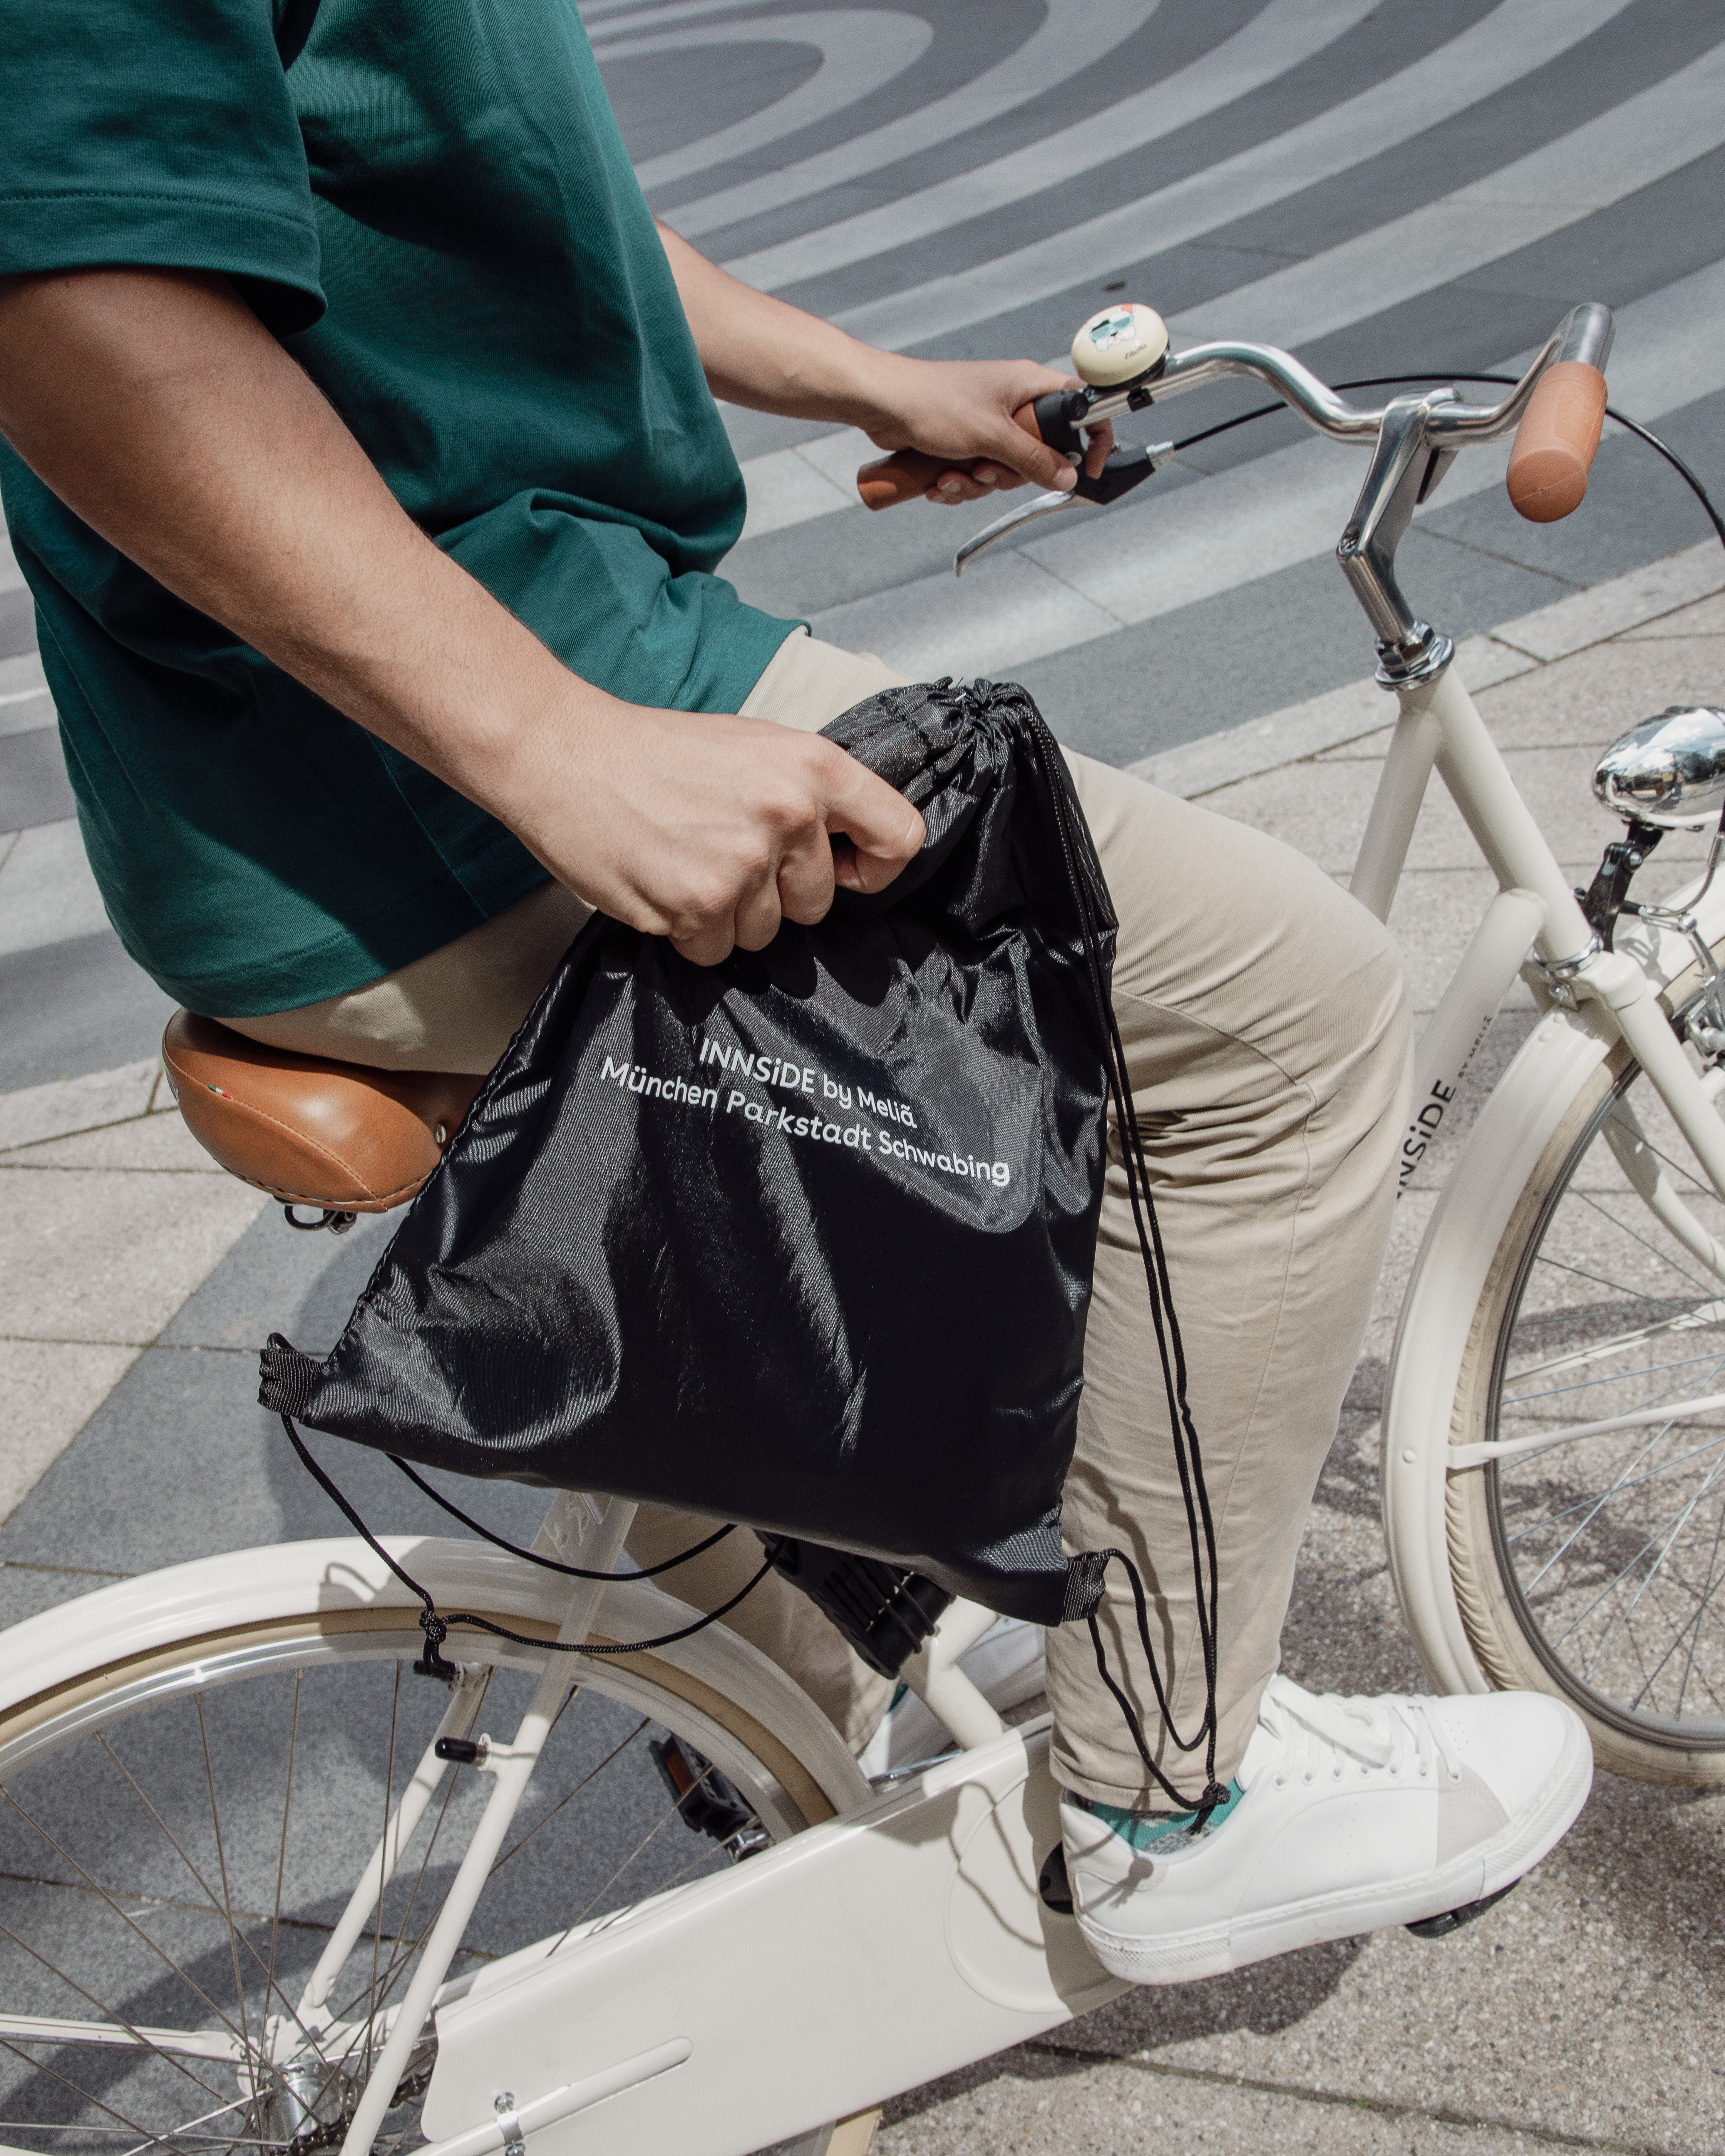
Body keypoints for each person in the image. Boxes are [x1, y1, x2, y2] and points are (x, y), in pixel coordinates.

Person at [0, 0, 1588, 1985]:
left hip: (415, 720)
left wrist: (868, 380)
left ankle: (763, 1684)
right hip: (464, 724)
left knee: (907, 1123)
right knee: (1292, 1011)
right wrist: (555, 749)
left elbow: (495, 188)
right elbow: (78, 299)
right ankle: (1178, 1799)